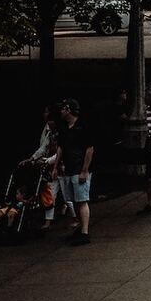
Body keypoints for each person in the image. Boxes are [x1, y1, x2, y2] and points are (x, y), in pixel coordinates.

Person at [53, 103, 92, 248]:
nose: (60, 112)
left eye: (62, 109)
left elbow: (89, 148)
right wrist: (56, 166)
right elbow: (60, 148)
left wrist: (85, 170)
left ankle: (85, 232)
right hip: (68, 168)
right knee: (75, 199)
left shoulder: (82, 126)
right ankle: (81, 228)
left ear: (68, 110)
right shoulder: (64, 128)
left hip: (79, 168)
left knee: (82, 199)